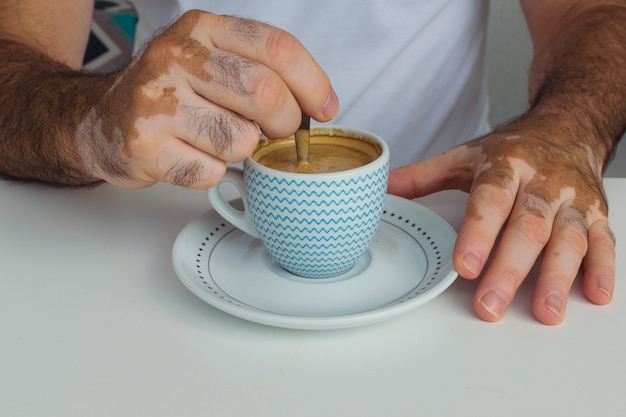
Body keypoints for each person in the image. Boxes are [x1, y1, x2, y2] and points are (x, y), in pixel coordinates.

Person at [0, 0, 623, 325]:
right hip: (150, 236)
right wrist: (90, 122)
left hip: (465, 238)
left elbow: (594, 13)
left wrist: (566, 131)